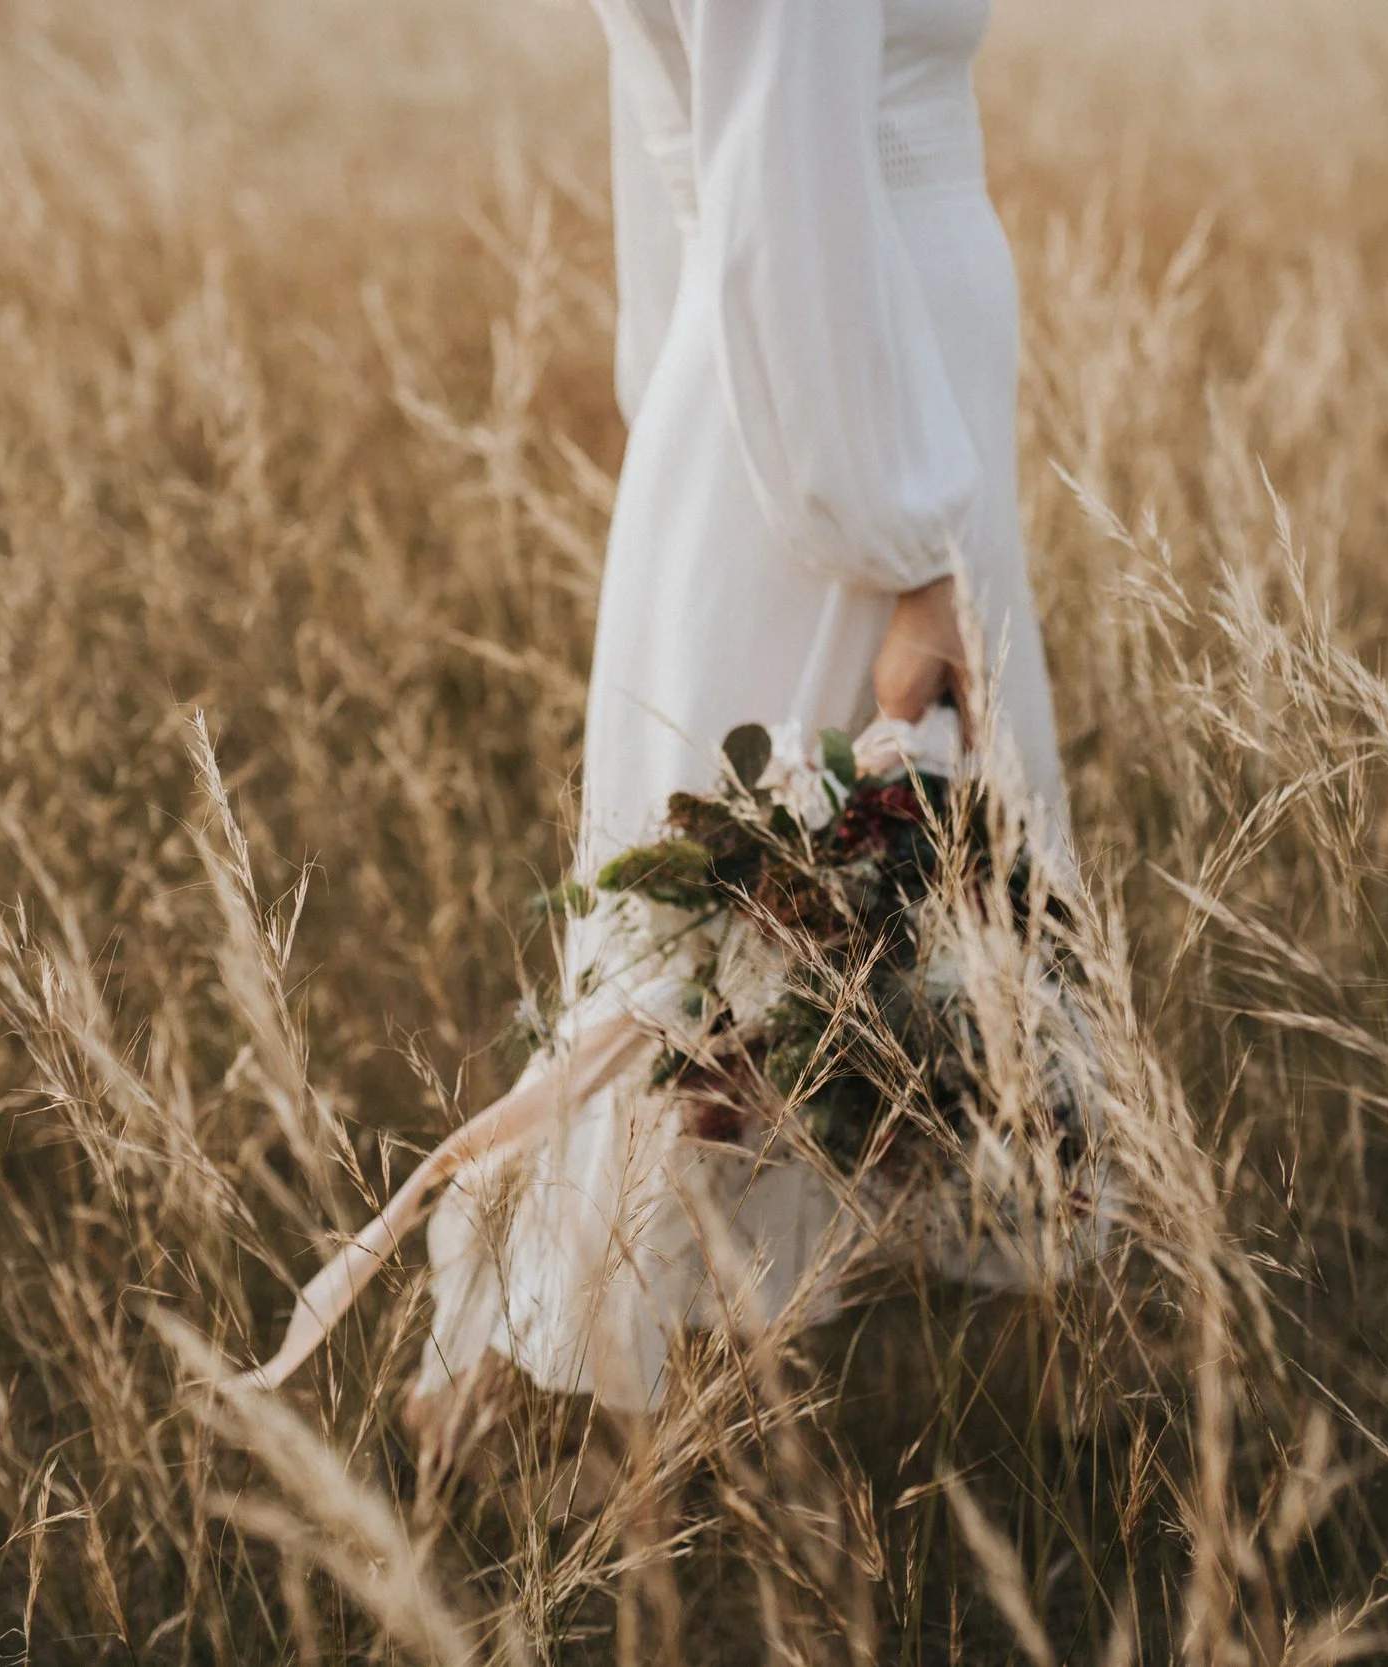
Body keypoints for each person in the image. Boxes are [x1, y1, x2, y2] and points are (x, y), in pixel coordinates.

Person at [247, 0, 1076, 1439]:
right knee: (753, 956)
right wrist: (907, 543)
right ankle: (575, 1437)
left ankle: (624, 1427)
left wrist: (690, 412)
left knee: (759, 956)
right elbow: (778, 189)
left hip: (805, 413)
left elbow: (689, 157)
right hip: (844, 440)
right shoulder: (883, 496)